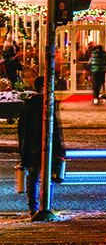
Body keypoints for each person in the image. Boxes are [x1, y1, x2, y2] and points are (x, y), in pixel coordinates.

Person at [18, 76, 65, 217]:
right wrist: (59, 150)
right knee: (48, 179)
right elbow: (55, 130)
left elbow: (22, 131)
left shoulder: (27, 105)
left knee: (32, 178)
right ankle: (46, 205)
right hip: (48, 147)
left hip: (32, 147)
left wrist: (23, 152)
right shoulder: (48, 104)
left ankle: (33, 207)